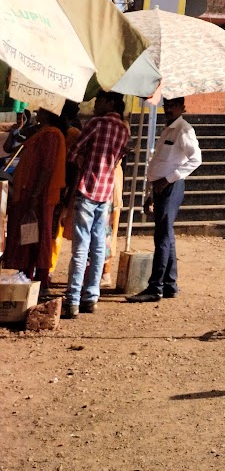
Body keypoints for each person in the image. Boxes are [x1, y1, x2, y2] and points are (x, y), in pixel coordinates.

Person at [128, 97, 203, 304]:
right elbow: (160, 163)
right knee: (166, 236)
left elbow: (196, 159)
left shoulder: (184, 130)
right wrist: (151, 193)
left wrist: (168, 179)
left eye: (173, 106)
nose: (168, 109)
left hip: (171, 186)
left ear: (182, 108)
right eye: (166, 105)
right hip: (160, 187)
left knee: (162, 238)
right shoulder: (167, 129)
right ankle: (170, 284)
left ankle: (155, 287)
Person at [61, 92, 130, 319]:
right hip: (106, 192)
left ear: (110, 103)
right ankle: (91, 297)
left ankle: (72, 300)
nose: (95, 105)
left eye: (99, 101)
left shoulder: (96, 123)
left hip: (87, 187)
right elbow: (118, 158)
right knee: (99, 246)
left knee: (81, 247)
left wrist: (80, 160)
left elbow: (74, 151)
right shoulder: (123, 129)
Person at [0, 109, 67, 288]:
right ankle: (24, 276)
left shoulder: (52, 135)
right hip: (26, 193)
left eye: (43, 111)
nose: (39, 112)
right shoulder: (38, 132)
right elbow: (10, 148)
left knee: (40, 236)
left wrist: (36, 195)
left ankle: (41, 279)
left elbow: (47, 168)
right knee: (25, 236)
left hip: (39, 196)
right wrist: (19, 130)